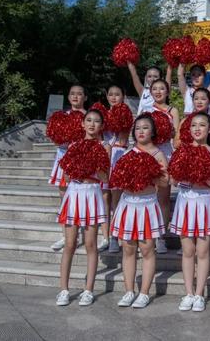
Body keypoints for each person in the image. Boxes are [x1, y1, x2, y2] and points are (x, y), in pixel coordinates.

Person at [110, 114, 169, 308]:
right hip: (128, 203)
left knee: (147, 249)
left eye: (145, 127)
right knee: (128, 248)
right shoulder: (127, 153)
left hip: (147, 205)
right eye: (137, 128)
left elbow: (165, 182)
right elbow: (117, 181)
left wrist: (149, 174)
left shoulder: (158, 154)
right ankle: (129, 291)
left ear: (152, 131)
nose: (141, 131)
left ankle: (144, 293)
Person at [55, 109, 110, 306]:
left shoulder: (105, 146)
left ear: (102, 126)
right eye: (88, 120)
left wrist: (94, 162)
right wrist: (76, 166)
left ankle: (88, 290)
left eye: (96, 121)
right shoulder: (74, 145)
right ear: (82, 123)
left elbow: (105, 178)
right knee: (70, 244)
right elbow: (66, 176)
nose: (92, 124)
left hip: (92, 192)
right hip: (74, 192)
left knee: (90, 244)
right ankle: (63, 289)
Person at [170, 112, 210, 312]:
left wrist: (202, 174)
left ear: (209, 129)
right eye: (193, 125)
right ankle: (188, 293)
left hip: (204, 201)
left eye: (202, 125)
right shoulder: (181, 150)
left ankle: (199, 294)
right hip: (185, 201)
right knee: (188, 251)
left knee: (203, 251)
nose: (197, 129)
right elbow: (173, 181)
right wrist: (183, 171)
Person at [139, 78, 180, 254]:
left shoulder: (173, 110)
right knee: (146, 196)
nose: (158, 92)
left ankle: (161, 237)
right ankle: (145, 234)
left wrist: (166, 131)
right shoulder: (146, 110)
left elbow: (176, 137)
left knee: (163, 198)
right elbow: (139, 133)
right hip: (147, 153)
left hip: (165, 153)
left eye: (161, 88)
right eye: (154, 89)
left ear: (167, 91)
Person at [50, 84, 87, 251]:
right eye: (72, 94)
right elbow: (55, 138)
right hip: (63, 156)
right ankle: (66, 235)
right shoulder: (62, 116)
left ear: (85, 97)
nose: (75, 96)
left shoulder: (88, 116)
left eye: (79, 94)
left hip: (81, 158)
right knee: (64, 197)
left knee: (80, 196)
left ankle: (81, 234)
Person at [100, 85, 130, 254]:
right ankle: (105, 236)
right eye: (110, 94)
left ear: (123, 96)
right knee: (104, 198)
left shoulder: (125, 113)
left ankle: (115, 236)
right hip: (104, 155)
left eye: (117, 94)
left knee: (116, 199)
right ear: (106, 96)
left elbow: (123, 138)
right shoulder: (101, 114)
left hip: (118, 154)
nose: (113, 97)